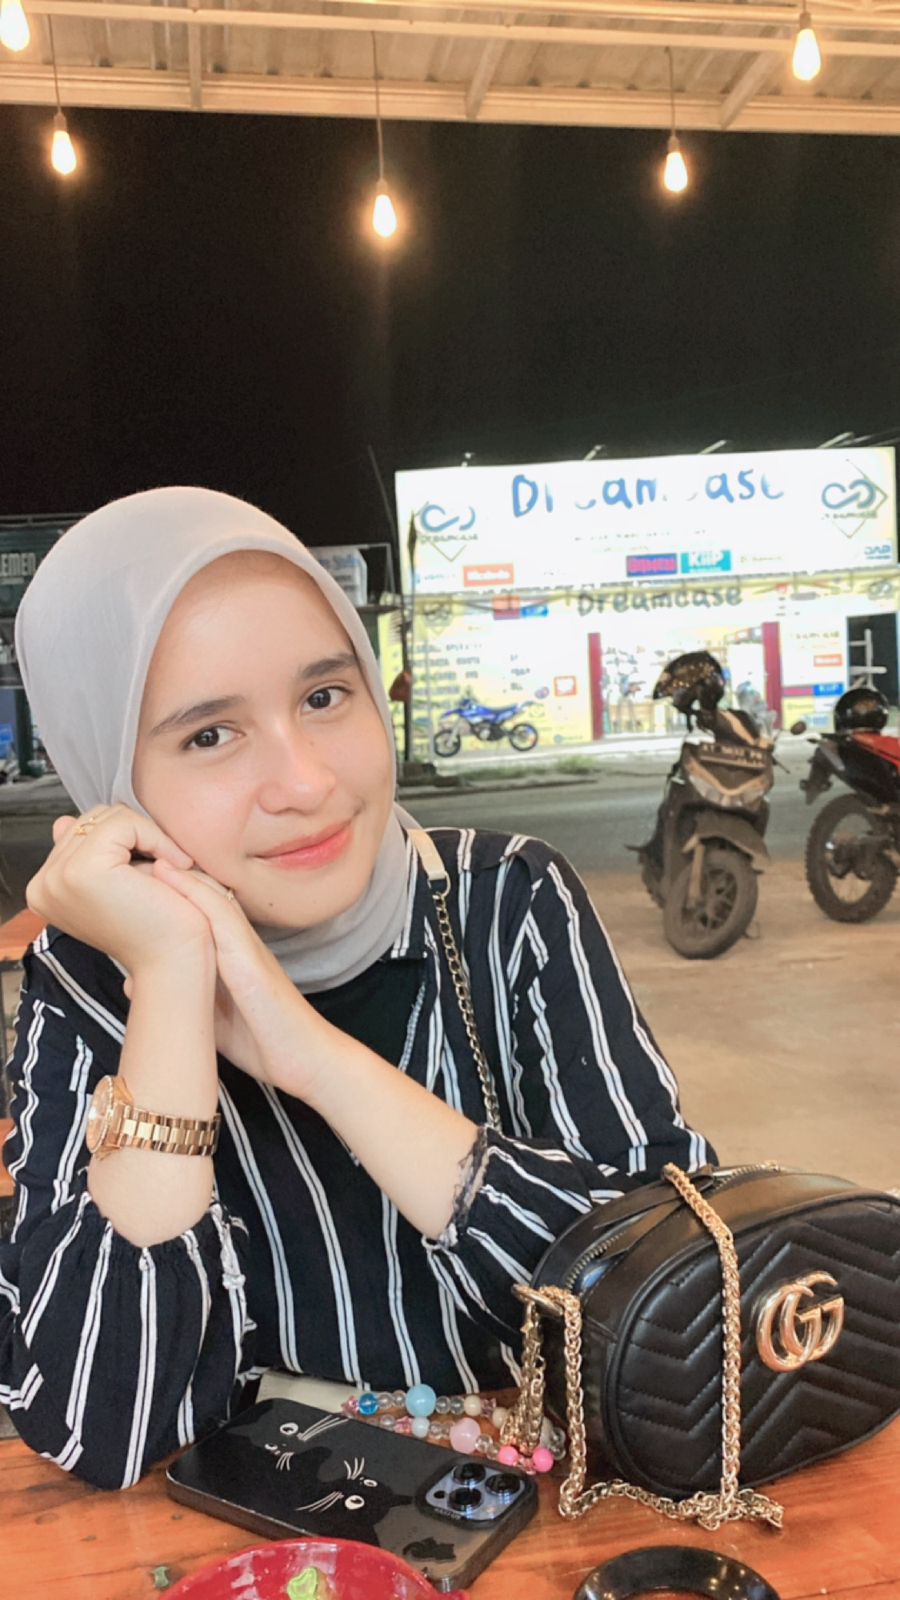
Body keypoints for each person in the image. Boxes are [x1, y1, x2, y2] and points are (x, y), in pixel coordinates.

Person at [0, 488, 713, 1491]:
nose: (306, 781)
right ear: (113, 783)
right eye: (208, 736)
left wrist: (314, 1057)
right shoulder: (92, 976)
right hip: (269, 1532)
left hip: (558, 1509)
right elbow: (100, 1423)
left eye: (325, 696)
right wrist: (167, 979)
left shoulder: (506, 900)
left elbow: (694, 1304)